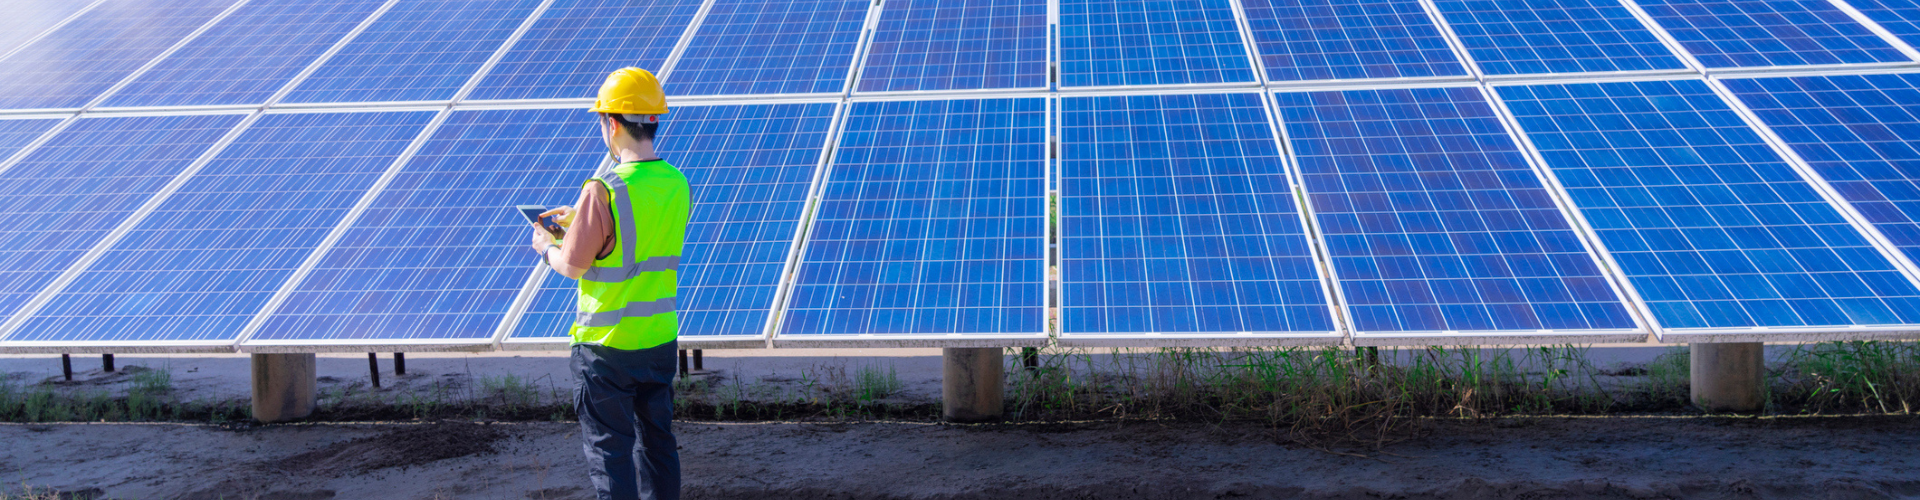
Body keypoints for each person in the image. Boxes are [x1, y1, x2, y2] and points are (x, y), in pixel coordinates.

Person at [530, 67, 689, 500]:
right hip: (658, 340)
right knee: (659, 444)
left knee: (610, 453)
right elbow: (636, 243)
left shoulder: (603, 188)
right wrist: (581, 219)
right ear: (653, 121)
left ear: (612, 123)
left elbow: (574, 266)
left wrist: (546, 245)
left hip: (606, 347)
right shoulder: (677, 183)